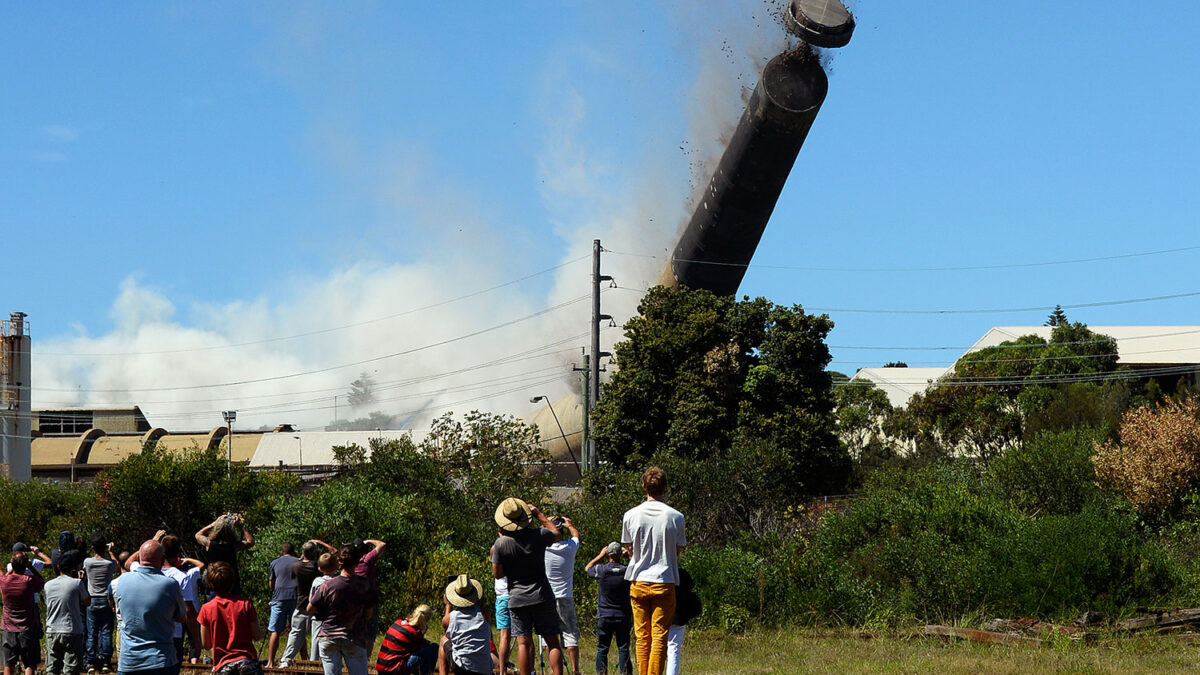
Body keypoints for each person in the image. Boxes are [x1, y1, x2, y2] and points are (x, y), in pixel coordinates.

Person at [621, 467, 686, 675]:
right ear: (665, 487)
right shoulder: (676, 517)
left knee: (642, 637)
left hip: (638, 580)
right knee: (659, 636)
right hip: (664, 580)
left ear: (643, 486)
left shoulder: (630, 515)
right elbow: (677, 551)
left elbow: (630, 549)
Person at [490, 497, 563, 675]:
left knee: (523, 641)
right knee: (552, 641)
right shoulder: (539, 534)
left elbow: (497, 574)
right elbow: (557, 534)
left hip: (517, 597)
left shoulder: (501, 544)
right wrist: (540, 515)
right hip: (542, 594)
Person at [112, 540, 186, 675]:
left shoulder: (121, 582)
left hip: (129, 661)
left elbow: (115, 607)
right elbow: (181, 617)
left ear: (139, 558)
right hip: (161, 659)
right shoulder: (170, 585)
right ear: (162, 560)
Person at [307, 545, 375, 675]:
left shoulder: (327, 585)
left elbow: (310, 608)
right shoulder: (365, 585)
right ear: (357, 561)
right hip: (354, 637)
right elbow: (368, 615)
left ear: (339, 562)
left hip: (328, 636)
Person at [197, 562, 262, 675]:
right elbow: (257, 636)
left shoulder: (206, 609)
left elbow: (206, 644)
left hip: (223, 665)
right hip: (246, 661)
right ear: (232, 581)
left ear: (210, 583)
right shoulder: (245, 604)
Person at [279, 539, 334, 668]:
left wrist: (303, 554)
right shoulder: (316, 567)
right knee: (316, 635)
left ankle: (286, 659)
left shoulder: (295, 566)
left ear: (303, 552)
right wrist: (321, 543)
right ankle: (314, 661)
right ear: (315, 554)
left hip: (301, 602)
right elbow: (332, 553)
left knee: (295, 633)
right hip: (317, 605)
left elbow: (295, 570)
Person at [541, 517, 581, 675]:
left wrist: (544, 521)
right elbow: (577, 535)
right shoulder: (570, 547)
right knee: (570, 633)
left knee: (549, 635)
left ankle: (553, 669)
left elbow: (538, 534)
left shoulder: (544, 548)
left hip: (548, 596)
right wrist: (570, 524)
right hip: (565, 595)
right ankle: (575, 669)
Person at [585, 543, 631, 675]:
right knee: (623, 648)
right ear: (619, 555)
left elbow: (587, 568)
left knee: (602, 648)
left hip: (604, 615)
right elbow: (639, 567)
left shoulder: (601, 570)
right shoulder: (627, 571)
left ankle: (601, 673)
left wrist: (600, 555)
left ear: (608, 555)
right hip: (622, 615)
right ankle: (625, 673)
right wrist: (629, 555)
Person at [44, 550, 90, 675]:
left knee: (52, 669)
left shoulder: (48, 585)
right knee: (71, 669)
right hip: (72, 630)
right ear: (73, 568)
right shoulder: (77, 583)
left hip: (52, 629)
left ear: (58, 567)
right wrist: (81, 580)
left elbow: (47, 603)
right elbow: (87, 601)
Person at [0, 550, 46, 675]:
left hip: (8, 628)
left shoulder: (4, 582)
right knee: (29, 664)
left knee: (8, 665)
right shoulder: (28, 581)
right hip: (27, 628)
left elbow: (4, 575)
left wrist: (11, 569)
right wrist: (30, 567)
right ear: (25, 565)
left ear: (12, 565)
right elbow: (42, 581)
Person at [438, 575, 491, 675]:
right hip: (485, 669)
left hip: (462, 669)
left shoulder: (449, 618)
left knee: (443, 641)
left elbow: (448, 634)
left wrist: (448, 606)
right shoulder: (485, 613)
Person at [83, 534, 120, 674]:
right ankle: (105, 661)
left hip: (91, 599)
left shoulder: (88, 562)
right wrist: (111, 551)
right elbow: (118, 566)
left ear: (93, 547)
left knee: (92, 632)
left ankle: (91, 662)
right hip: (106, 599)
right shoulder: (109, 563)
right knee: (106, 631)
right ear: (104, 547)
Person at [194, 515, 253, 595]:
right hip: (231, 582)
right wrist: (239, 526)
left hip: (214, 580)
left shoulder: (209, 544)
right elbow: (250, 542)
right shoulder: (233, 546)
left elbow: (198, 535)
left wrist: (214, 523)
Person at [376, 605, 437, 675]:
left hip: (381, 668)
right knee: (434, 647)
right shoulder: (414, 633)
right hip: (395, 671)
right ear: (426, 620)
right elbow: (419, 649)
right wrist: (422, 633)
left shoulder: (397, 622)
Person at [265, 543, 299, 668]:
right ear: (293, 551)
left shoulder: (274, 563)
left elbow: (271, 585)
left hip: (279, 598)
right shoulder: (298, 561)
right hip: (295, 597)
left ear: (282, 552)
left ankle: (270, 662)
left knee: (275, 631)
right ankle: (305, 659)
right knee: (297, 630)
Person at [663, 569, 701, 675]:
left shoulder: (662, 575)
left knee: (655, 646)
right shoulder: (683, 574)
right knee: (674, 649)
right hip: (679, 616)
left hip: (661, 615)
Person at [306, 553, 339, 663]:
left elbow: (311, 598)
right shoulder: (338, 581)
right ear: (336, 567)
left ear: (319, 568)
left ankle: (314, 660)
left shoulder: (317, 581)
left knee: (315, 638)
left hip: (318, 614)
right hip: (333, 615)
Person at [490, 541, 511, 675]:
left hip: (502, 596)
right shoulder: (518, 547)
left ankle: (502, 670)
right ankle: (529, 669)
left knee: (504, 635)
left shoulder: (495, 548)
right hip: (517, 594)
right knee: (524, 636)